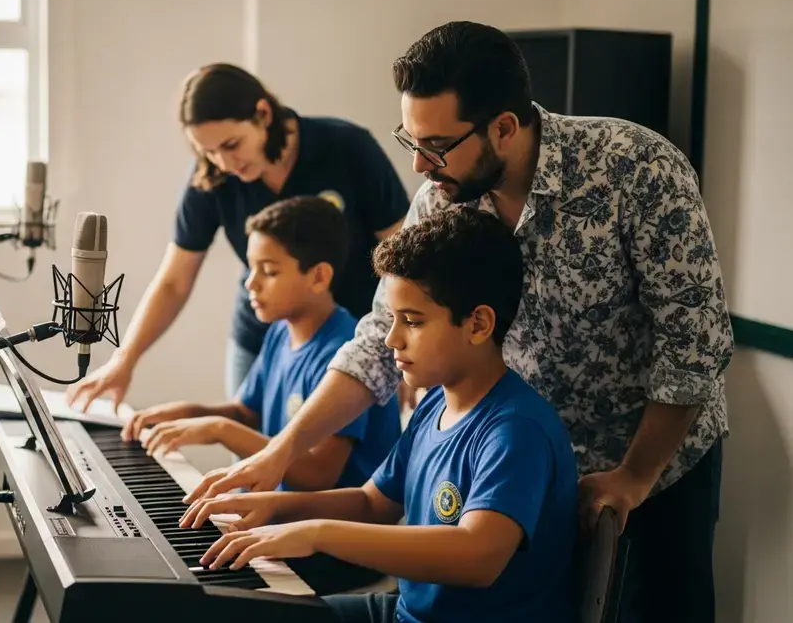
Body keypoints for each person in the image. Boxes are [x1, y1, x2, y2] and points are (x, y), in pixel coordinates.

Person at [184, 21, 734, 623]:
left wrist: (634, 474)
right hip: (513, 452)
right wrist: (281, 455)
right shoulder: (442, 196)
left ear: (504, 126)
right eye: (411, 139)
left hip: (650, 453)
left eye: (438, 145)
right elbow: (376, 337)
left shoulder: (635, 168)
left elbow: (694, 343)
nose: (420, 165)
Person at [182, 207, 578, 623]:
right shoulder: (435, 404)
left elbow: (478, 557)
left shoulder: (516, 430)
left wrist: (318, 534)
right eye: (392, 319)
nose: (391, 339)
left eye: (412, 321)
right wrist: (274, 506)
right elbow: (374, 504)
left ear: (478, 324)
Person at [66, 62, 410, 412]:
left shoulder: (347, 147)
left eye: (232, 144)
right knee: (248, 454)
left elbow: (401, 255)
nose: (225, 162)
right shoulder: (212, 176)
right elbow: (174, 281)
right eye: (208, 151)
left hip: (355, 334)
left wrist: (399, 342)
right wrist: (125, 359)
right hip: (261, 340)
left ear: (262, 113)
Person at [129, 196, 401, 493]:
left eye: (269, 271)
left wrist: (219, 430)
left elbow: (319, 473)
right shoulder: (280, 332)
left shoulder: (345, 353)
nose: (251, 282)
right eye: (251, 268)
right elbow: (246, 413)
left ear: (318, 277)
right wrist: (187, 413)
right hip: (273, 518)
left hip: (326, 532)